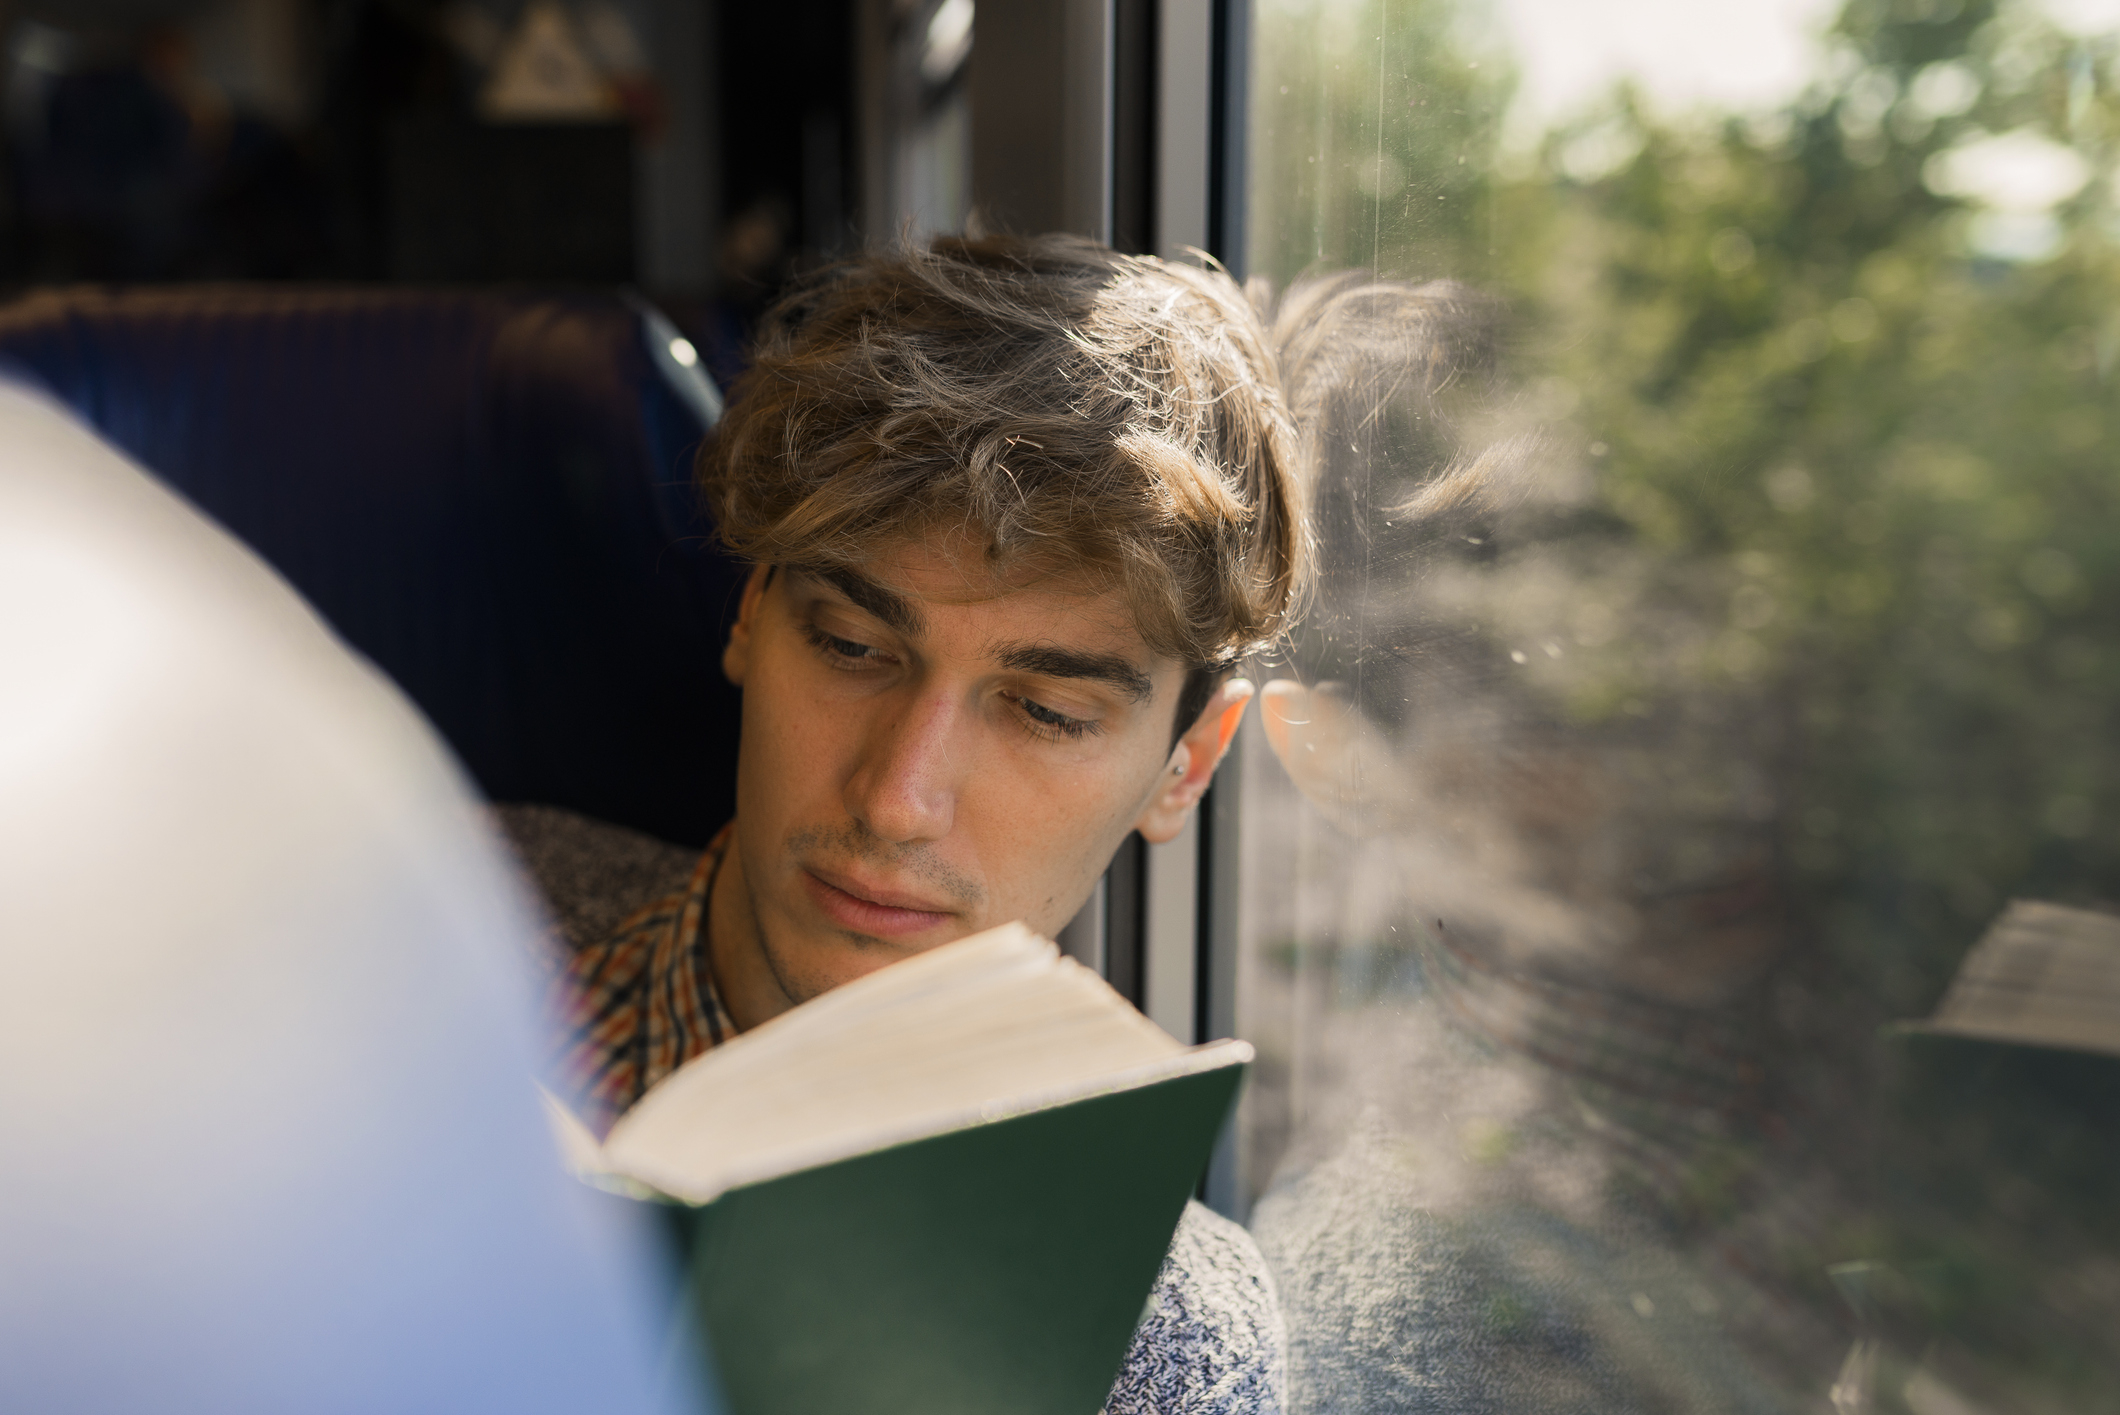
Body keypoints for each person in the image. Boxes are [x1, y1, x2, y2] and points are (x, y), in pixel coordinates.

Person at [500, 232, 1306, 1414]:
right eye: (849, 646)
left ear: (1185, 765)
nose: (896, 797)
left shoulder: (1161, 1343)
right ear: (748, 614)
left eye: (1040, 709)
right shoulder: (446, 907)